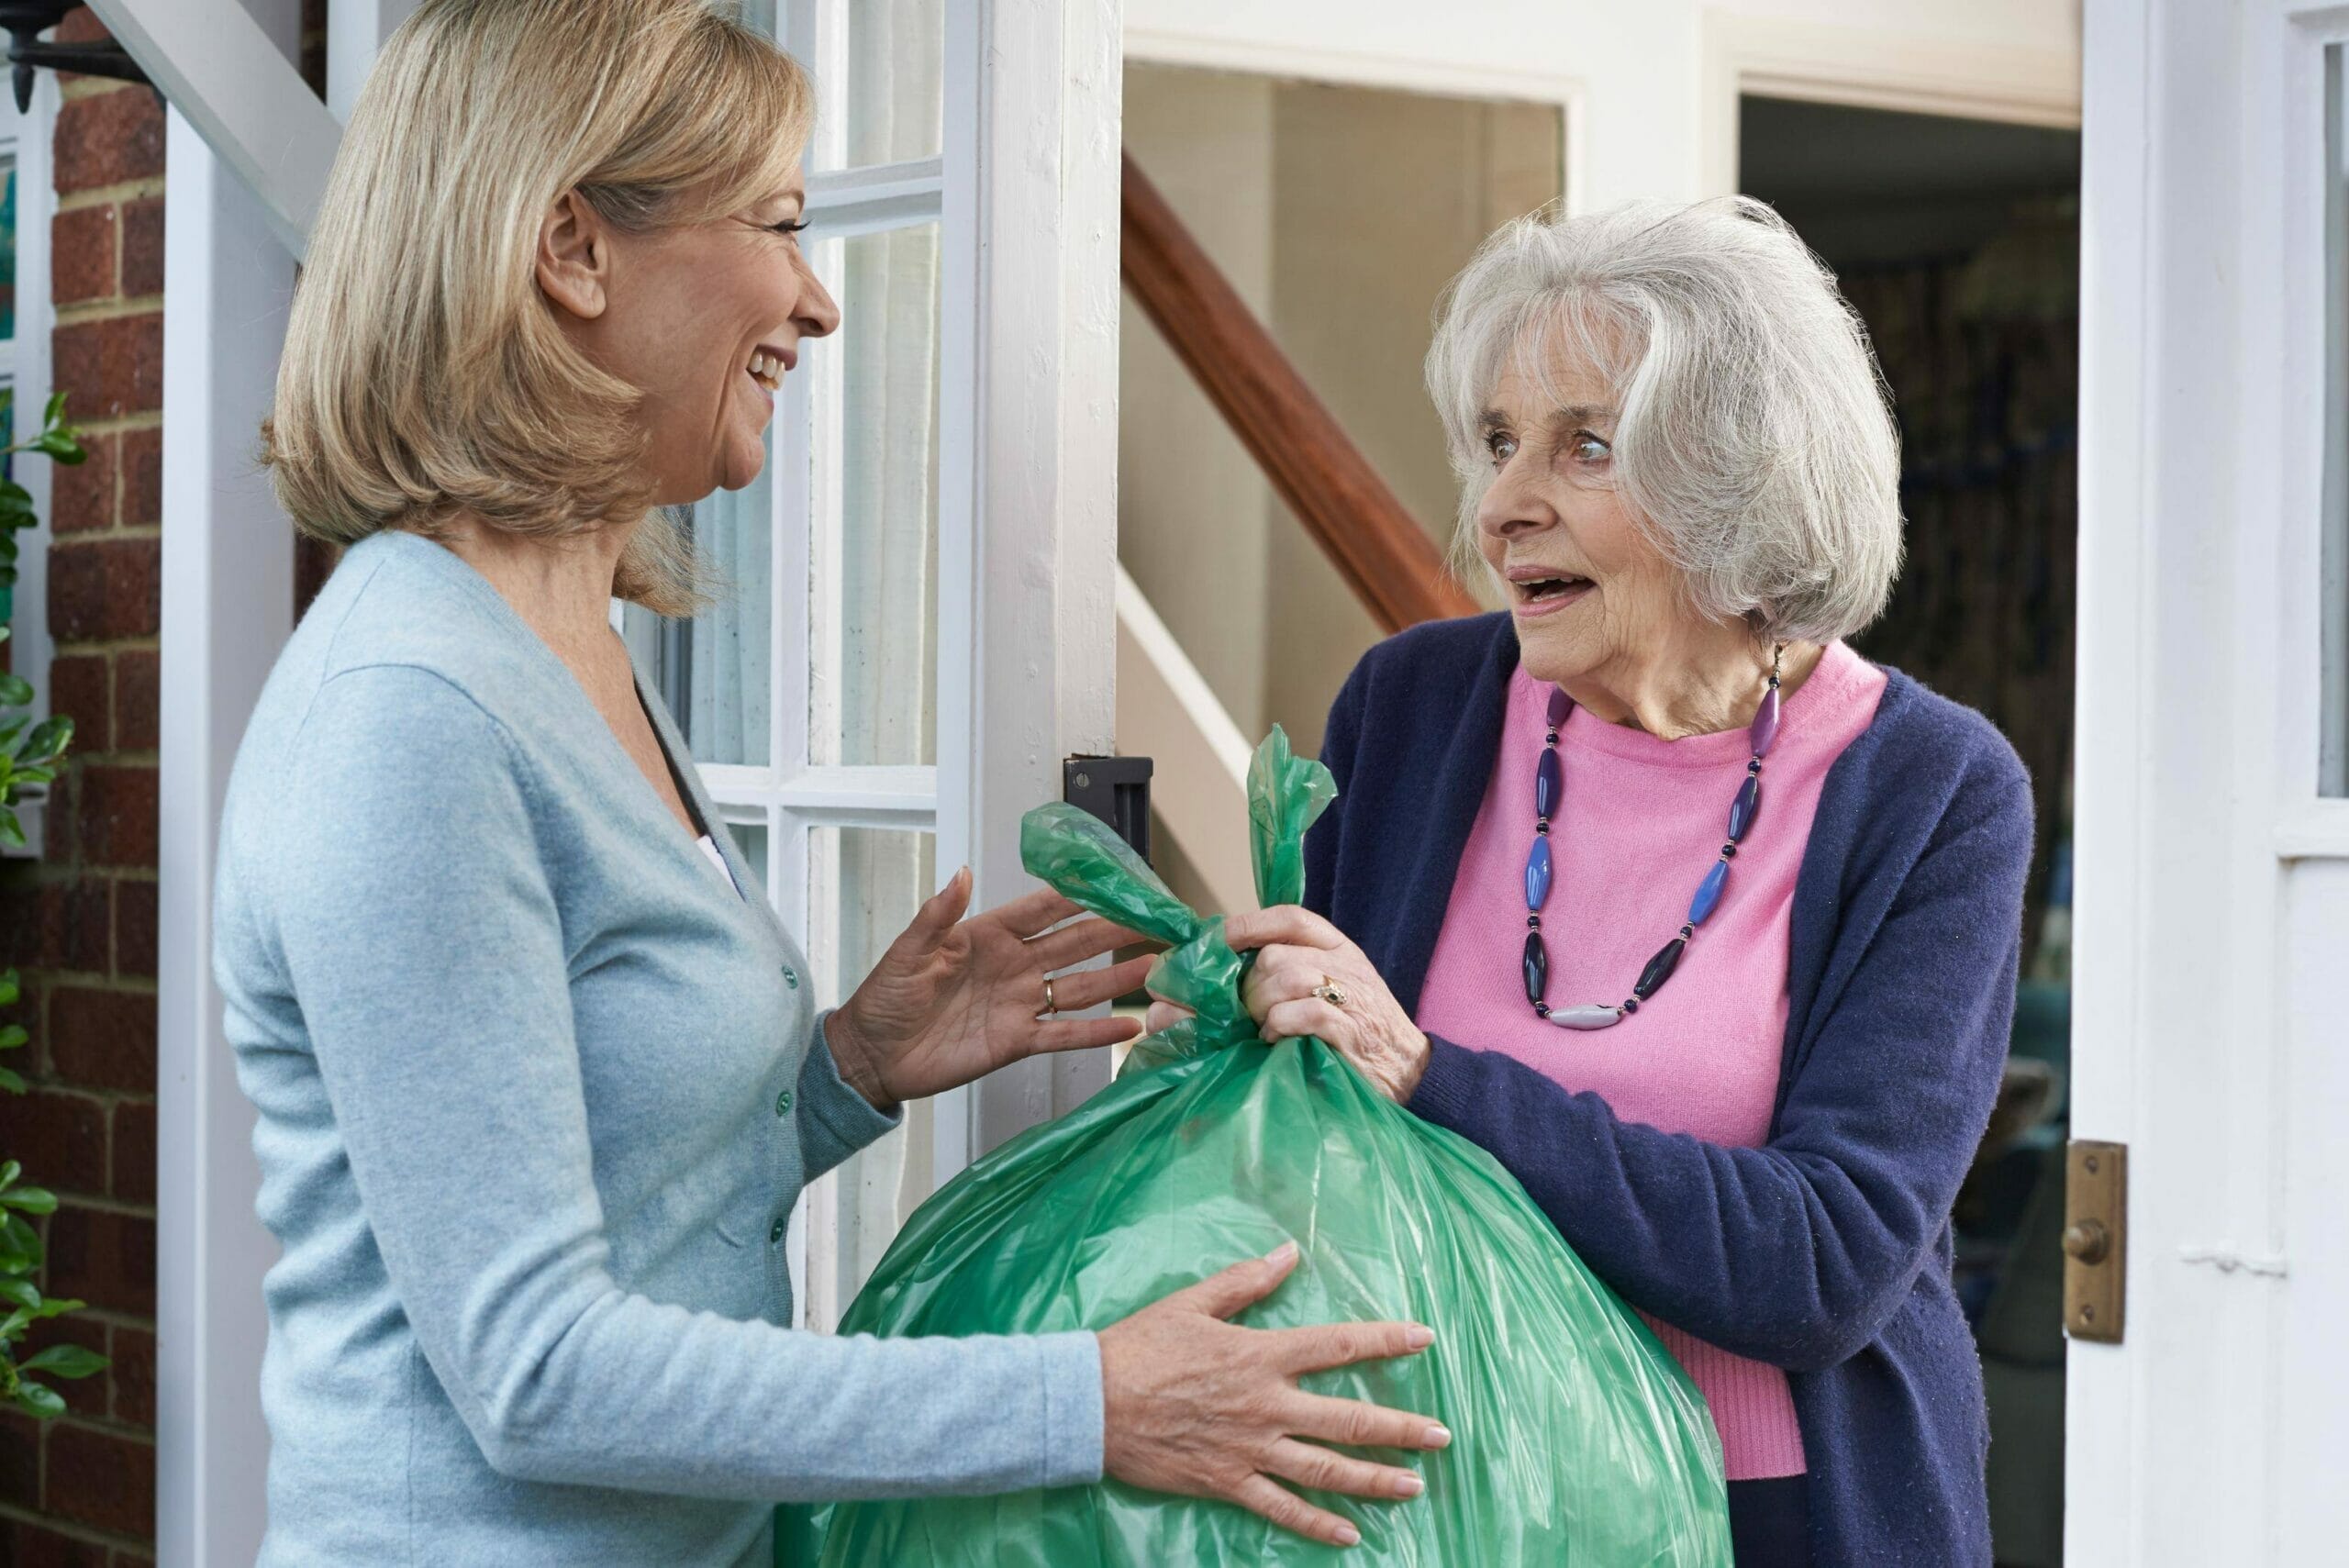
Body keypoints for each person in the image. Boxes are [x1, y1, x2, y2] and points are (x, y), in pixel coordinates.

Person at [216, 3, 1444, 1562]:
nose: (818, 299)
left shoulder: (570, 648)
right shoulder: (413, 714)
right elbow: (535, 1370)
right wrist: (1093, 1401)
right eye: (781, 225)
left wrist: (847, 1068)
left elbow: (625, 1197)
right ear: (573, 248)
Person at [1175, 199, 2033, 1568]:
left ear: (1740, 478)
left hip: (1772, 1519)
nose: (1506, 504)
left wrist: (1433, 1075)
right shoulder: (1410, 709)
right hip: (1436, 1489)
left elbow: (1824, 1260)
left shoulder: (1933, 792)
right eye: (1500, 443)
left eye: (1586, 446)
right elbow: (1321, 1122)